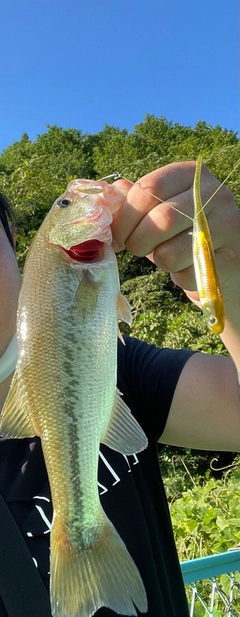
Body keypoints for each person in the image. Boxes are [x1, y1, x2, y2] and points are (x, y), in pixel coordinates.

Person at [0, 160, 239, 617]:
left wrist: (230, 278)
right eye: (67, 203)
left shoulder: (124, 369)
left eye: (65, 204)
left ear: (13, 239)